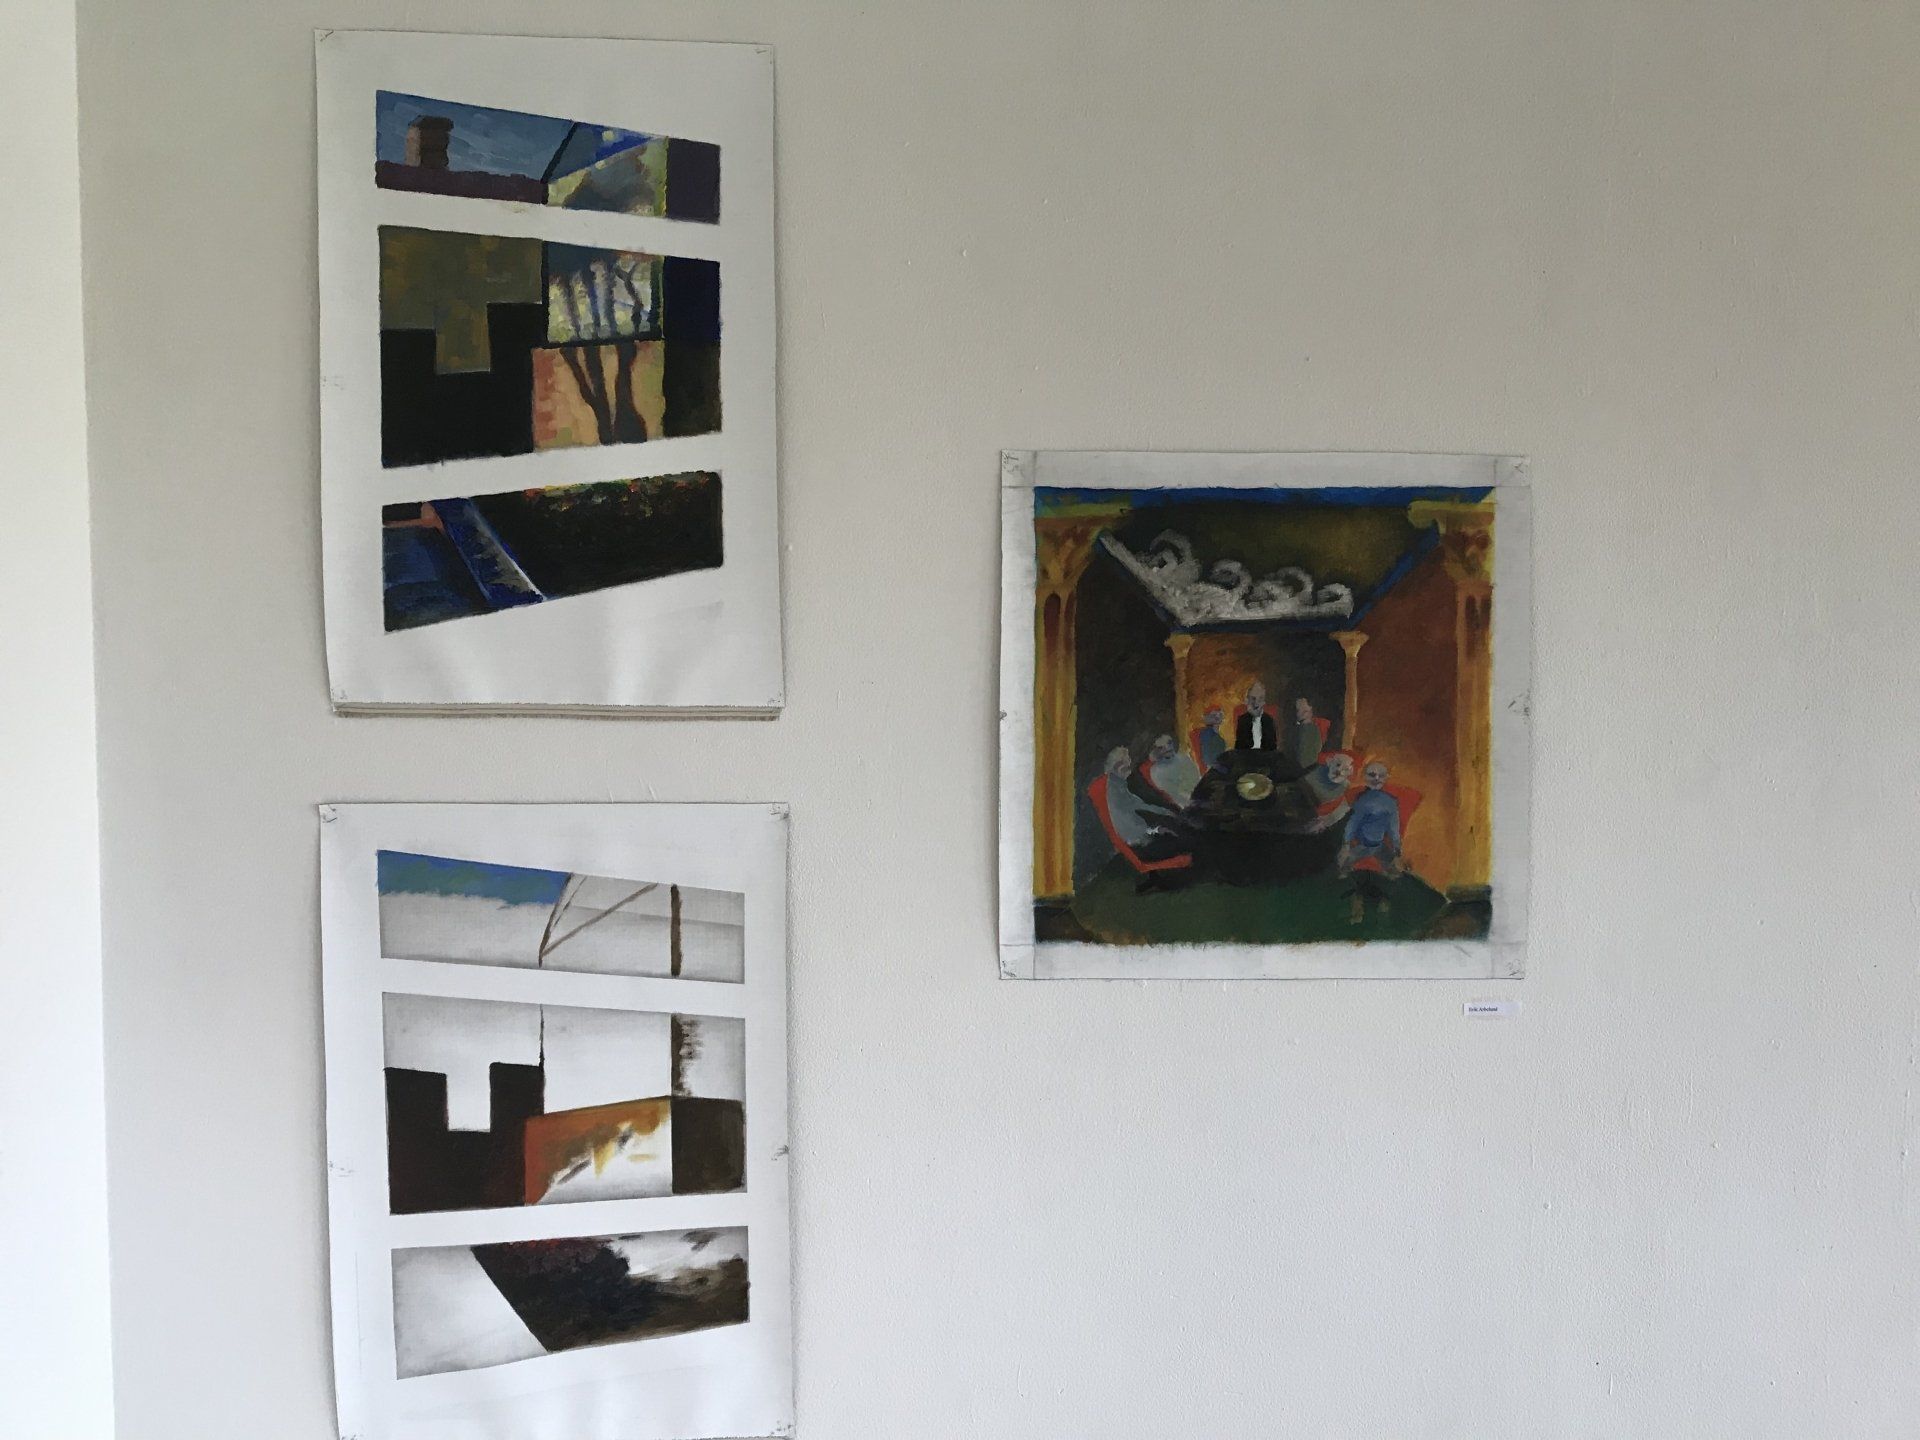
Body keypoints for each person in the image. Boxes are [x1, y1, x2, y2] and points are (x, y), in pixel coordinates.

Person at [1098, 747, 1189, 862]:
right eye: (1123, 763)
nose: (1128, 765)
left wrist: (1164, 812)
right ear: (1114, 767)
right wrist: (1155, 830)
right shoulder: (1113, 793)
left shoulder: (1119, 785)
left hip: (1145, 838)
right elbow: (1129, 831)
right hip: (1140, 846)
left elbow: (1140, 804)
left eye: (1128, 760)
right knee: (1184, 843)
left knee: (1179, 831)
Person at [1337, 760, 1403, 878]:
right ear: (1365, 777)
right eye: (1372, 775)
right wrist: (1346, 843)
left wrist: (1397, 847)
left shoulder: (1391, 802)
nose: (1376, 778)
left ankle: (1390, 872)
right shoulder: (1362, 800)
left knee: (1394, 871)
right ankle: (1344, 871)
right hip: (1363, 844)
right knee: (1344, 864)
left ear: (1386, 777)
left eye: (1381, 775)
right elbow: (1353, 822)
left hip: (1378, 845)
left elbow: (1394, 827)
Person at [1142, 733, 1201, 807]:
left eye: (1169, 743)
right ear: (1155, 751)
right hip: (1186, 804)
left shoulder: (1184, 758)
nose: (1168, 748)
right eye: (1161, 747)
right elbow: (1176, 796)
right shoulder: (1156, 772)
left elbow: (1197, 780)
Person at [1302, 752, 1356, 832]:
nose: (1339, 771)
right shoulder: (1318, 771)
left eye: (1345, 769)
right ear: (1330, 763)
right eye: (1338, 765)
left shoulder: (1343, 787)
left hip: (1312, 811)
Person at [1232, 682, 1278, 751]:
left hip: (1265, 756)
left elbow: (1272, 746)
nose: (1256, 703)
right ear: (1247, 700)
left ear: (1264, 702)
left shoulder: (1269, 720)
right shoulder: (1242, 720)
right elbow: (1239, 747)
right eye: (1253, 698)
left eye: (1260, 699)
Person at [1284, 697, 1326, 770]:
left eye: (1304, 711)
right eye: (1298, 710)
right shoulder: (1296, 729)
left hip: (1308, 765)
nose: (1301, 713)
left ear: (1311, 711)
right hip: (1298, 765)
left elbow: (1318, 747)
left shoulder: (1313, 729)